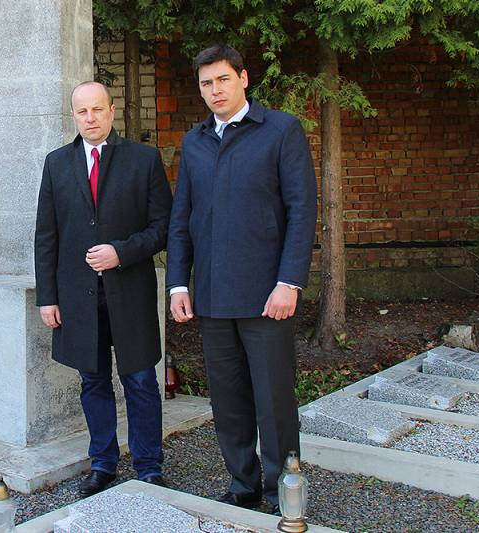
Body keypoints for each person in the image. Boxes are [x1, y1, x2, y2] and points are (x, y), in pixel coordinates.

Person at [166, 45, 317, 511]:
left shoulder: (281, 131)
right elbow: (182, 218)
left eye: (223, 80)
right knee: (228, 402)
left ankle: (282, 489)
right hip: (212, 296)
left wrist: (289, 282)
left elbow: (301, 210)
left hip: (267, 294)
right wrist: (178, 284)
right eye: (206, 83)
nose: (215, 90)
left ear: (244, 78)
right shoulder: (195, 142)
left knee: (274, 402)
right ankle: (243, 485)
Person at [35, 81, 173, 496]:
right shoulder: (57, 163)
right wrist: (47, 297)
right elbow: (46, 236)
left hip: (129, 292)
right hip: (78, 297)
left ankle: (148, 465)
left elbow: (163, 227)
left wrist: (121, 252)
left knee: (141, 380)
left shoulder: (143, 160)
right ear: (73, 116)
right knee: (92, 381)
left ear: (112, 111)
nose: (90, 118)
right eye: (82, 111)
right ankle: (103, 463)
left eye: (97, 109)